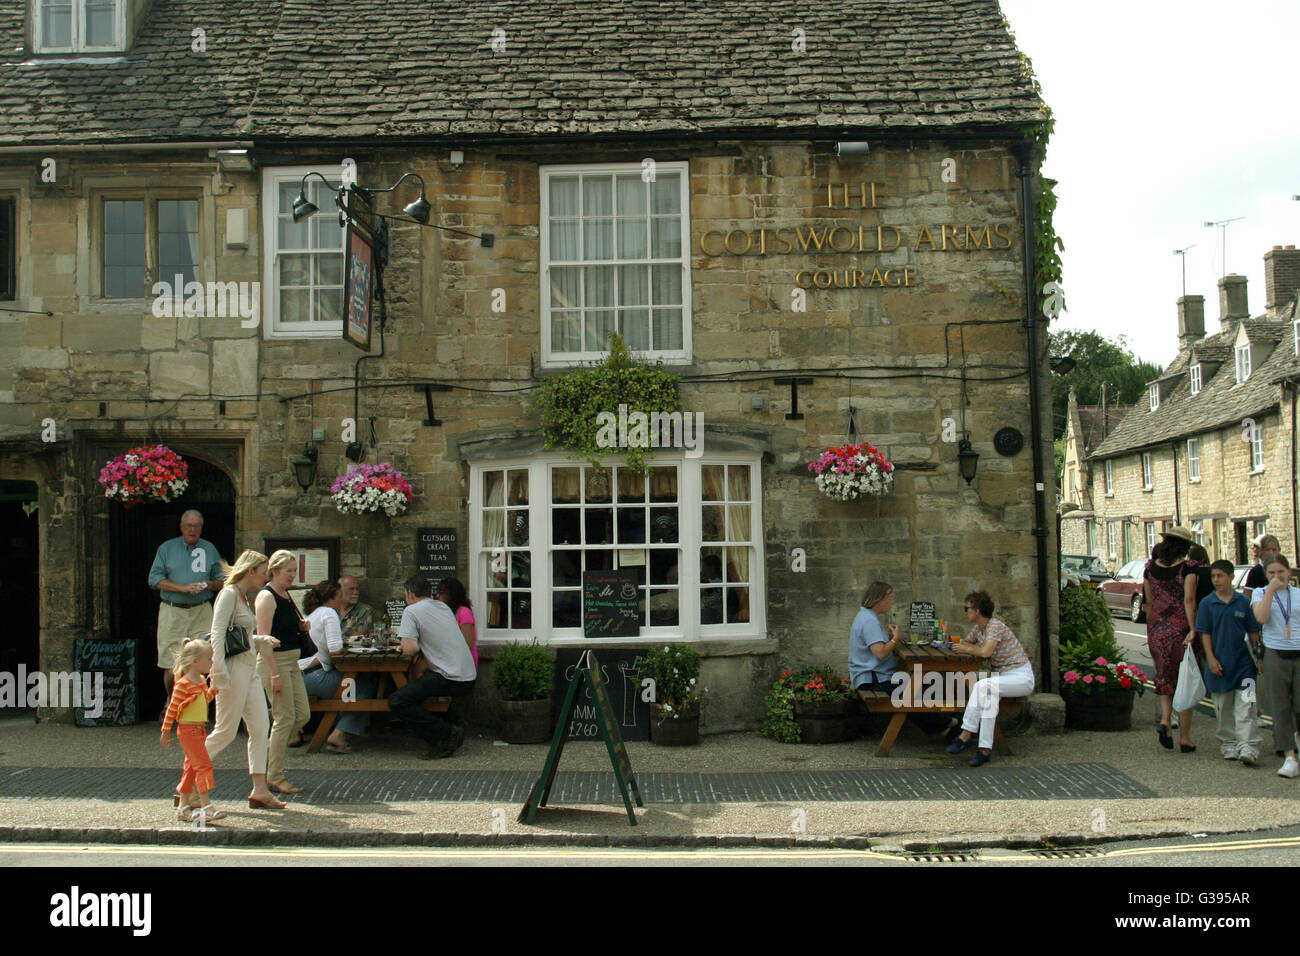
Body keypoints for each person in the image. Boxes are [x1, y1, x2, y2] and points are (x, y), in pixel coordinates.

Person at [206, 549, 284, 809]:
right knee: (225, 732)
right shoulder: (228, 594)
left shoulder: (242, 596)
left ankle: (259, 791)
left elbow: (239, 637)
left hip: (248, 669)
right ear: (250, 571)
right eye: (263, 573)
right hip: (233, 670)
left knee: (261, 728)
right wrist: (217, 671)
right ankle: (188, 782)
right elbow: (216, 634)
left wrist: (261, 640)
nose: (265, 578)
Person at [388, 574, 477, 759]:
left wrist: (416, 647)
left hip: (450, 677)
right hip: (467, 675)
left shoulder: (411, 611)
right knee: (413, 693)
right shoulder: (443, 607)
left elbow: (409, 649)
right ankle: (442, 734)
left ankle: (446, 734)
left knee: (398, 701)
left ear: (410, 593)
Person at [945, 591, 1035, 767]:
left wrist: (968, 649)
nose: (966, 612)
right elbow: (967, 642)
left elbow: (985, 652)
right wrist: (964, 645)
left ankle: (965, 735)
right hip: (1003, 677)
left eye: (967, 608)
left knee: (981, 685)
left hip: (1020, 676)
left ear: (977, 611)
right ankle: (984, 750)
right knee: (987, 699)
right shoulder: (980, 629)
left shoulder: (995, 626)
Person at [848, 582, 950, 735]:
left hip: (874, 677)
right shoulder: (869, 621)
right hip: (873, 680)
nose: (892, 602)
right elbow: (880, 653)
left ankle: (942, 725)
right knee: (911, 688)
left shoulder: (866, 616)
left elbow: (877, 647)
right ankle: (945, 725)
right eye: (890, 598)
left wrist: (889, 639)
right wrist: (895, 639)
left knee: (913, 687)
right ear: (879, 599)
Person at [147, 510, 224, 697]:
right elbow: (154, 579)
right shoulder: (167, 549)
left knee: (204, 658)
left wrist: (208, 584)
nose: (192, 530)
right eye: (188, 526)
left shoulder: (209, 549)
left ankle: (199, 706)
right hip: (173, 611)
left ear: (201, 528)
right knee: (171, 662)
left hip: (201, 611)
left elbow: (222, 580)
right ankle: (171, 703)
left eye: (196, 526)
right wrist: (183, 588)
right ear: (181, 527)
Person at [255, 550, 312, 795]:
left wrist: (302, 627)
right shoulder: (266, 597)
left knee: (302, 715)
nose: (292, 575)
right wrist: (273, 673)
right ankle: (274, 775)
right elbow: (263, 640)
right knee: (284, 718)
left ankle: (271, 759)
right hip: (275, 662)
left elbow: (287, 627)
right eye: (288, 570)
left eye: (294, 571)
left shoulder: (286, 595)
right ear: (275, 570)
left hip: (292, 660)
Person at [1197, 559, 1263, 764]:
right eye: (1213, 577)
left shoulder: (1243, 602)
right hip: (1219, 666)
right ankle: (1228, 743)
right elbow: (1204, 633)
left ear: (1231, 577)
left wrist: (1259, 658)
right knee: (1223, 708)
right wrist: (1211, 658)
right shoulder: (1208, 603)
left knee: (1247, 706)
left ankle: (1248, 746)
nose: (1216, 580)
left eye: (1220, 576)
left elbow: (1253, 632)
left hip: (1245, 666)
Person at [299, 579, 375, 753]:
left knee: (353, 685)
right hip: (317, 676)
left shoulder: (314, 613)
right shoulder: (329, 613)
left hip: (303, 675)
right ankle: (338, 735)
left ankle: (339, 731)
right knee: (363, 688)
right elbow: (334, 650)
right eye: (340, 596)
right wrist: (345, 646)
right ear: (332, 597)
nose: (343, 600)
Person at [1143, 526, 1200, 753]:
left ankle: (1166, 720)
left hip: (1156, 628)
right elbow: (1189, 600)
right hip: (1180, 628)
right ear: (1184, 547)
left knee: (1164, 677)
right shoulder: (1188, 568)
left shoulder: (1149, 568)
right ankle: (1185, 738)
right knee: (1185, 679)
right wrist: (1193, 629)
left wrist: (1154, 625)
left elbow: (1148, 602)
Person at [161, 639, 221, 822]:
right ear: (195, 661)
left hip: (198, 729)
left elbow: (201, 702)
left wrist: (213, 690)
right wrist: (165, 731)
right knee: (203, 766)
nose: (212, 662)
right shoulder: (183, 684)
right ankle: (207, 806)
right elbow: (172, 708)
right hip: (188, 731)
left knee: (192, 769)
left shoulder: (201, 681)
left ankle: (183, 807)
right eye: (209, 659)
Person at [1252, 553, 1300, 778]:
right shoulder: (1260, 593)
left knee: (1298, 705)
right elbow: (1261, 618)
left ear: (1289, 573)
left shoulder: (1298, 595)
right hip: (1275, 652)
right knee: (1280, 705)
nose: (1277, 576)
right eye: (1272, 573)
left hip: (1298, 652)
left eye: (1281, 572)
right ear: (1266, 575)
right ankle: (1289, 755)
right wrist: (1270, 590)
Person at [437, 578, 477, 667]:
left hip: (464, 666)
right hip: (452, 662)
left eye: (441, 592)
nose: (438, 596)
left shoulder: (464, 613)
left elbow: (467, 645)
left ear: (452, 595)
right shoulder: (450, 612)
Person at [338, 574, 376, 640]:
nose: (355, 592)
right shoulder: (330, 609)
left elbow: (361, 633)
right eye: (351, 589)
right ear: (340, 590)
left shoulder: (365, 610)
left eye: (357, 589)